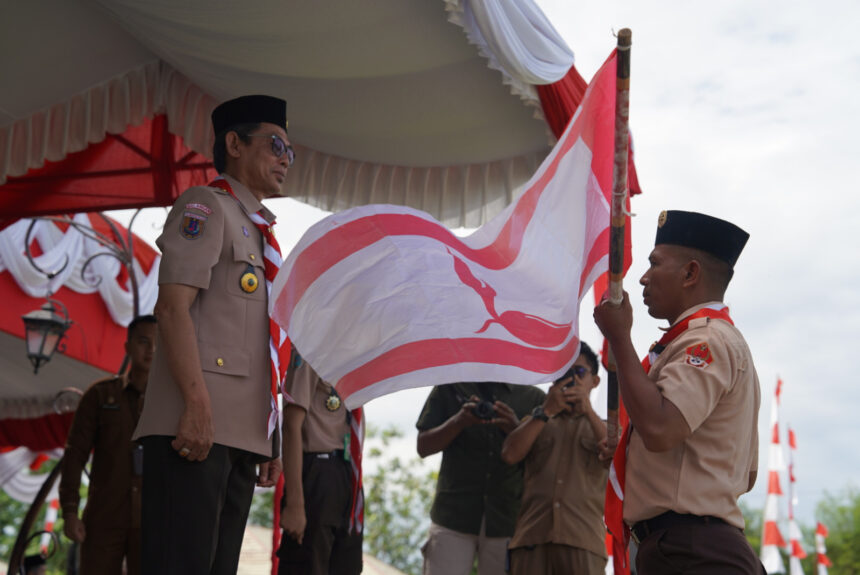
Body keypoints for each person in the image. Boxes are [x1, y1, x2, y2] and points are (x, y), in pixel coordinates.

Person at [133, 94, 291, 574]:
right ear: (235, 144)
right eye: (276, 144)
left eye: (290, 152)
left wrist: (272, 437)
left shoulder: (258, 230)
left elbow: (258, 342)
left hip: (239, 435)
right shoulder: (206, 205)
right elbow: (172, 308)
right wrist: (197, 408)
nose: (286, 159)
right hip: (195, 427)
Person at [594, 210, 764, 574]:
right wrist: (631, 451)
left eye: (654, 263)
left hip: (693, 552)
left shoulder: (706, 340)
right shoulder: (705, 340)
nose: (642, 278)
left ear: (690, 273)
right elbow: (740, 474)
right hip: (692, 548)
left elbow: (659, 428)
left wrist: (620, 338)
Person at [59, 314, 156, 575]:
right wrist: (69, 511)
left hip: (156, 521)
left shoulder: (175, 403)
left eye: (159, 343)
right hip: (104, 516)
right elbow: (75, 454)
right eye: (143, 342)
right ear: (127, 347)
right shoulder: (100, 395)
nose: (151, 350)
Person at [501, 341, 609, 574]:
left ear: (595, 381)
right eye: (563, 373)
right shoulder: (537, 420)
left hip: (583, 540)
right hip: (532, 539)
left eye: (579, 372)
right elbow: (509, 454)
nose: (571, 380)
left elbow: (617, 458)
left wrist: (588, 411)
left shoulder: (604, 427)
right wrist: (546, 410)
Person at [416, 381, 545, 575]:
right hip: (453, 516)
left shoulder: (534, 398)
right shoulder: (451, 387)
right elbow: (423, 446)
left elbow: (544, 462)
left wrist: (516, 430)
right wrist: (458, 422)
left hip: (508, 520)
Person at [277, 354, 363, 575]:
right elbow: (291, 424)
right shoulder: (311, 349)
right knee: (309, 563)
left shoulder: (353, 354)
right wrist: (295, 504)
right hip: (316, 471)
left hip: (347, 471)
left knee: (346, 564)